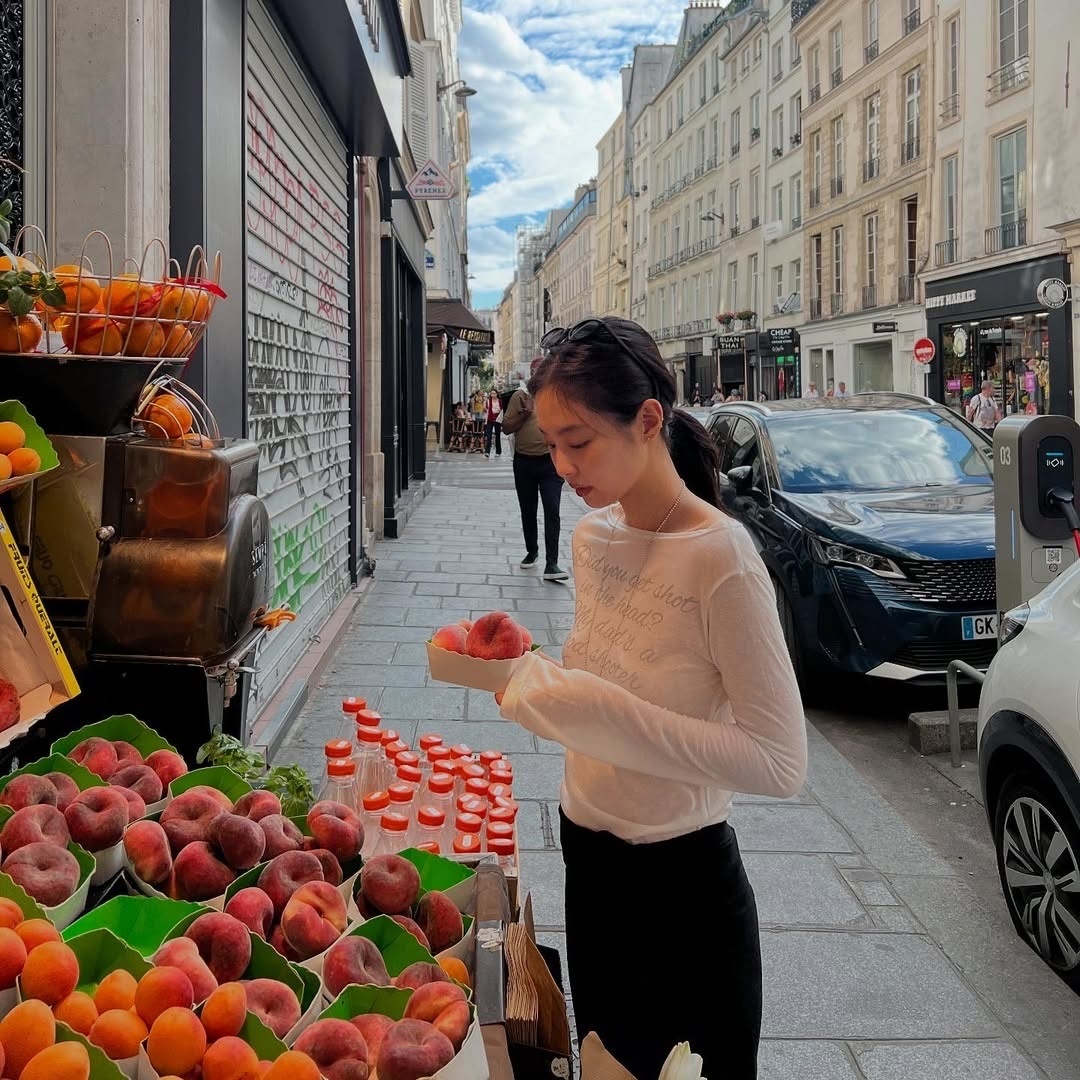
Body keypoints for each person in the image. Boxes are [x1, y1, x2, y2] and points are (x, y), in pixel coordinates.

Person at [496, 316, 807, 1079]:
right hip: (589, 861)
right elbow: (611, 678)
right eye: (550, 444)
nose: (562, 465)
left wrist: (596, 715)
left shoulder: (721, 557)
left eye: (578, 441)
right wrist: (526, 672)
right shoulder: (593, 540)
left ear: (647, 420)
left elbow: (779, 761)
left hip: (685, 891)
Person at [501, 359, 569, 581]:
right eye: (535, 372)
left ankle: (552, 563)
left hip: (550, 463)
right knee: (528, 510)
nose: (538, 376)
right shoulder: (519, 397)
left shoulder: (557, 397)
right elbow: (506, 428)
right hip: (524, 462)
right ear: (529, 374)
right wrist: (525, 413)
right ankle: (532, 551)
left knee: (552, 510)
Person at [484, 389, 503, 457]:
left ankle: (498, 451)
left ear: (497, 394)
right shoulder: (488, 401)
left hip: (498, 419)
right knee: (489, 436)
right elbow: (487, 411)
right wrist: (486, 421)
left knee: (497, 435)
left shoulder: (500, 401)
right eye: (492, 393)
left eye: (494, 393)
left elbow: (502, 410)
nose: (493, 395)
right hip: (490, 419)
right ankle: (487, 452)